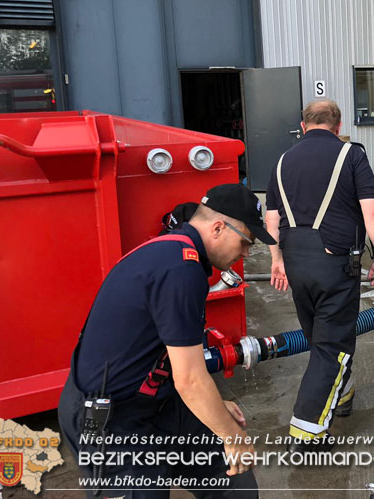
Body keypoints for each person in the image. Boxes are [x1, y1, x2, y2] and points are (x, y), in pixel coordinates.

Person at [58, 184, 276, 498]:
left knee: (231, 482)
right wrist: (233, 437)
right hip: (111, 419)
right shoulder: (179, 269)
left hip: (158, 401)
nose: (245, 254)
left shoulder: (176, 254)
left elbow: (177, 362)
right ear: (218, 227)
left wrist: (210, 405)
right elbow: (190, 379)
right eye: (245, 243)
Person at [265, 99, 374, 451]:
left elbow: (271, 216)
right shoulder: (351, 155)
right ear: (337, 127)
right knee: (332, 344)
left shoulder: (282, 160)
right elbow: (373, 210)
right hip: (334, 262)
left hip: (295, 262)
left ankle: (343, 393)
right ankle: (307, 430)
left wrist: (276, 260)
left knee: (320, 339)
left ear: (303, 126)